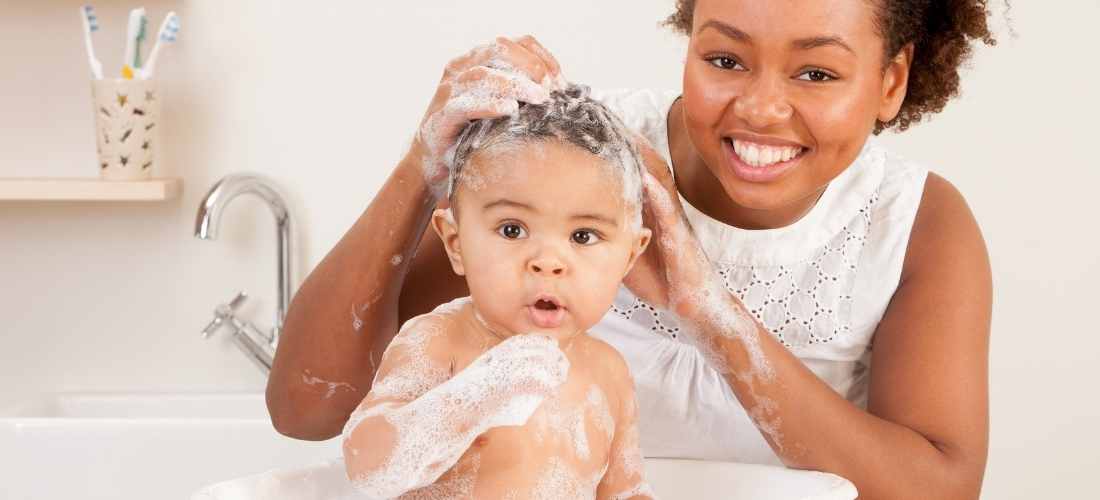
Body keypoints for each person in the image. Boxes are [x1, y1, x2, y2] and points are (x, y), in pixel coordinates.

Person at [268, 1, 996, 498]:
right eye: (724, 58)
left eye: (817, 73)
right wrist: (421, 166)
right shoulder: (575, 163)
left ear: (890, 80)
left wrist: (705, 310)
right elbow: (306, 410)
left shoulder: (913, 222)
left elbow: (937, 489)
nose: (762, 107)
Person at [340, 85, 655, 499]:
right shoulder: (440, 341)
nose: (548, 261)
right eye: (512, 230)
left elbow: (626, 493)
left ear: (629, 257)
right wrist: (470, 399)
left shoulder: (609, 372)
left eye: (583, 235)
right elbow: (367, 467)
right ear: (456, 244)